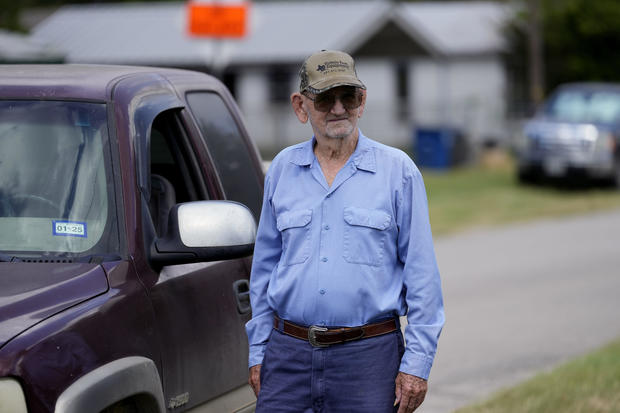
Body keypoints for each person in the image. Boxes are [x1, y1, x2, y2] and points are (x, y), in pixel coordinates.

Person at [246, 50, 444, 413]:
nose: (338, 108)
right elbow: (263, 272)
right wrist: (258, 351)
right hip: (287, 355)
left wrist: (416, 365)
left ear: (362, 100)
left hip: (369, 359)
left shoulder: (398, 172)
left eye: (348, 96)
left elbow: (422, 278)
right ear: (301, 105)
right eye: (324, 98)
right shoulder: (281, 171)